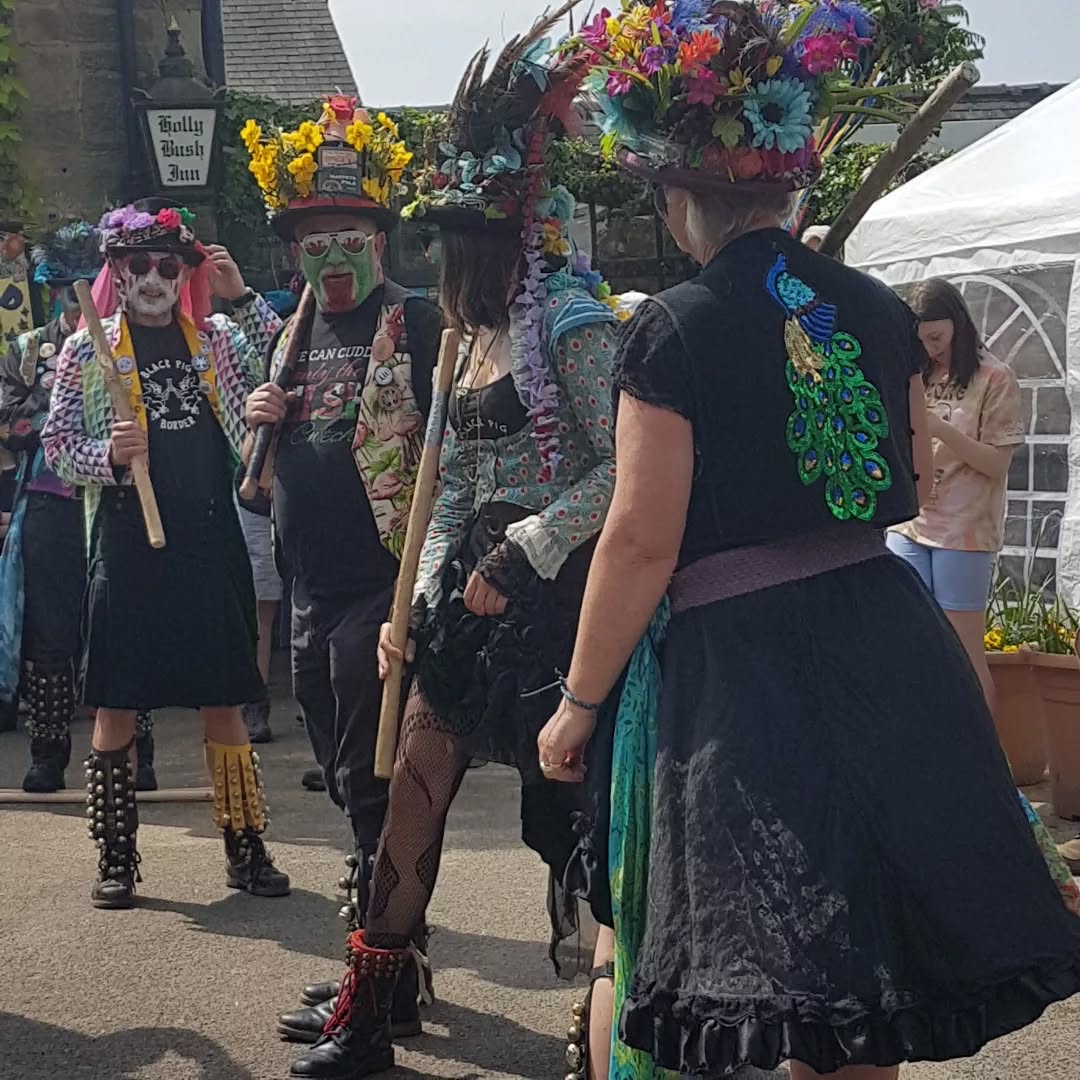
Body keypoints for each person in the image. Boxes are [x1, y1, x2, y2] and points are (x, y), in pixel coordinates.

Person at [540, 5, 1080, 1080]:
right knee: (868, 971)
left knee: (789, 974)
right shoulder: (879, 308)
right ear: (789, 181)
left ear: (679, 191)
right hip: (887, 637)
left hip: (750, 675)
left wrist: (580, 701)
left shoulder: (673, 323)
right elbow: (914, 483)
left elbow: (642, 539)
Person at [285, 18, 621, 1078]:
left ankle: (602, 1030)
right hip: (464, 599)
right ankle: (371, 1003)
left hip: (565, 604)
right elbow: (444, 482)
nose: (433, 259)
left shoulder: (575, 322)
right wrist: (414, 602)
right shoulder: (464, 337)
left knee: (578, 827)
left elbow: (625, 473)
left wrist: (523, 553)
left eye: (447, 241)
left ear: (496, 239)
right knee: (413, 782)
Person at [241, 97, 443, 1040]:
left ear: (378, 236)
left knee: (378, 788)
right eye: (311, 239)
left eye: (344, 234)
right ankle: (376, 974)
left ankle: (382, 991)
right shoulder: (291, 331)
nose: (326, 254)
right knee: (337, 778)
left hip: (382, 586)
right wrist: (263, 424)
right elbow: (274, 465)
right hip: (309, 586)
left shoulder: (420, 322)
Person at [42, 201, 290, 909]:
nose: (154, 277)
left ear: (185, 273)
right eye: (139, 265)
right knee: (116, 702)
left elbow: (280, 361)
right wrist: (109, 457)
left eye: (167, 265)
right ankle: (116, 859)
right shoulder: (86, 350)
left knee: (224, 695)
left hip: (210, 539)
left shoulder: (215, 339)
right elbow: (60, 451)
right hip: (126, 540)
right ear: (116, 273)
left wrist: (242, 298)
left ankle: (245, 849)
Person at [0, 221, 156, 793]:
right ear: (52, 289)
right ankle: (47, 753)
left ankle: (141, 754)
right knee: (51, 636)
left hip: (115, 502)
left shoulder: (133, 342)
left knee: (124, 624)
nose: (77, 295)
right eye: (65, 285)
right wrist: (59, 417)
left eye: (85, 282)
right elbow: (8, 422)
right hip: (50, 504)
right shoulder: (25, 350)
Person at [886, 277, 1023, 709]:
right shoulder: (916, 375)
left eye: (937, 337)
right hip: (911, 524)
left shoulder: (994, 378)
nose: (930, 348)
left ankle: (982, 762)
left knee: (964, 653)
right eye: (922, 339)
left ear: (958, 326)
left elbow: (997, 464)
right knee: (908, 645)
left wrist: (941, 430)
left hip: (964, 531)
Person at [236, 502, 281, 744]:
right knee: (256, 602)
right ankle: (253, 699)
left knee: (264, 602)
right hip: (252, 505)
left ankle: (255, 700)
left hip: (275, 502)